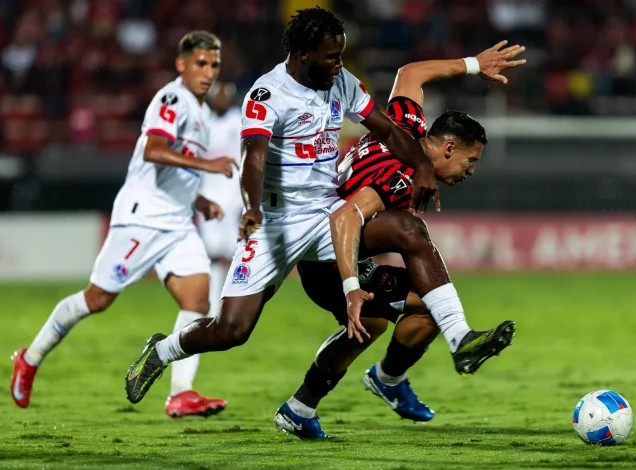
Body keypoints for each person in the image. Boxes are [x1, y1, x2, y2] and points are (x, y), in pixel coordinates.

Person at [124, 6, 441, 405]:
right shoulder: (267, 93)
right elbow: (253, 156)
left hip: (327, 214)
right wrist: (251, 208)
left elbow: (388, 130)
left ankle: (434, 315)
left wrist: (423, 168)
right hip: (275, 222)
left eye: (341, 55)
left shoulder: (340, 81)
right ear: (304, 52)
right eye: (331, 56)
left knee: (404, 231)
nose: (338, 64)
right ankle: (162, 350)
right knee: (231, 331)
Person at [276, 42, 526, 438]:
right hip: (327, 256)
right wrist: (352, 285)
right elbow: (345, 216)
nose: (471, 171)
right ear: (447, 148)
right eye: (470, 160)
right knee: (406, 247)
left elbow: (411, 73)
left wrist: (474, 64)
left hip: (347, 250)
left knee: (416, 310)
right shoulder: (397, 176)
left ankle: (313, 403)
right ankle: (450, 343)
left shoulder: (404, 126)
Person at [11, 31, 234, 418]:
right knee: (97, 299)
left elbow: (173, 167)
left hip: (178, 223)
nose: (208, 72)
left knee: (198, 300)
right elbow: (154, 149)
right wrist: (209, 165)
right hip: (142, 218)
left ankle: (181, 392)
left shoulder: (201, 111)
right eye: (201, 63)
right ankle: (28, 359)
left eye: (214, 65)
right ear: (181, 64)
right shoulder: (171, 99)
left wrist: (199, 199)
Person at [196, 82, 243, 319]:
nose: (221, 100)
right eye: (217, 96)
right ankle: (214, 306)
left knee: (237, 253)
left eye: (225, 96)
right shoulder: (204, 122)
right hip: (210, 195)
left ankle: (238, 304)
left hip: (234, 195)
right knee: (213, 254)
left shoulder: (239, 120)